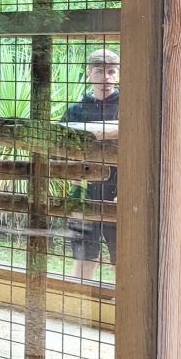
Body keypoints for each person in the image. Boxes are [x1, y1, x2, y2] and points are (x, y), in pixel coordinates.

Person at [60, 47, 119, 281]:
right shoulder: (75, 111)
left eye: (112, 71)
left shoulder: (131, 107)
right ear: (89, 73)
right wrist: (68, 171)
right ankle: (76, 307)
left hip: (118, 192)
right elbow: (58, 150)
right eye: (99, 71)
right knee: (83, 258)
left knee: (121, 258)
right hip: (83, 191)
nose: (106, 78)